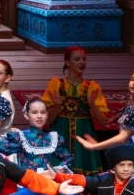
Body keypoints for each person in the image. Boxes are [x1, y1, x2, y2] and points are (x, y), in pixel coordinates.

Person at [42, 46, 110, 174]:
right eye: (77, 59)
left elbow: (103, 122)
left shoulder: (92, 88)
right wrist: (57, 105)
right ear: (67, 62)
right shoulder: (56, 85)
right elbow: (49, 120)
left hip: (82, 135)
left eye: (84, 59)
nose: (82, 62)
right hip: (60, 133)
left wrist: (92, 105)